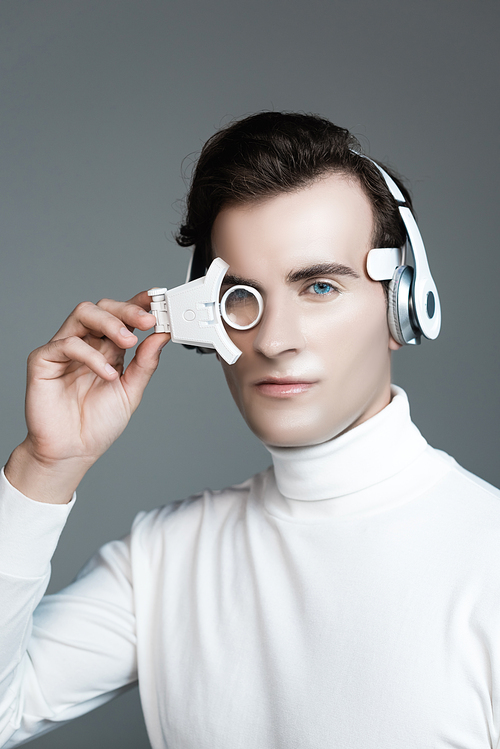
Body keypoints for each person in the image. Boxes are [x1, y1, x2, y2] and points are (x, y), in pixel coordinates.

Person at [1, 112, 499, 748]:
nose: (274, 340)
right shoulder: (164, 559)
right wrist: (45, 468)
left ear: (404, 305)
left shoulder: (489, 563)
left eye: (319, 286)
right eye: (241, 297)